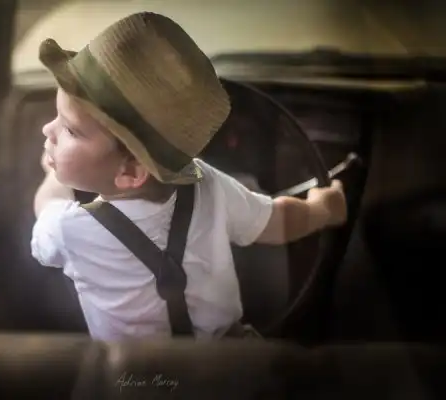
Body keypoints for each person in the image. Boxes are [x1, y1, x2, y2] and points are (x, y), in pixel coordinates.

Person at [31, 12, 347, 340]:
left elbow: (46, 206)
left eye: (69, 130)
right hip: (226, 359)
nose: (47, 129)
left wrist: (52, 175)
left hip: (131, 369)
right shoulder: (209, 183)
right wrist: (321, 210)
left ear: (131, 170)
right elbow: (276, 222)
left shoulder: (70, 229)